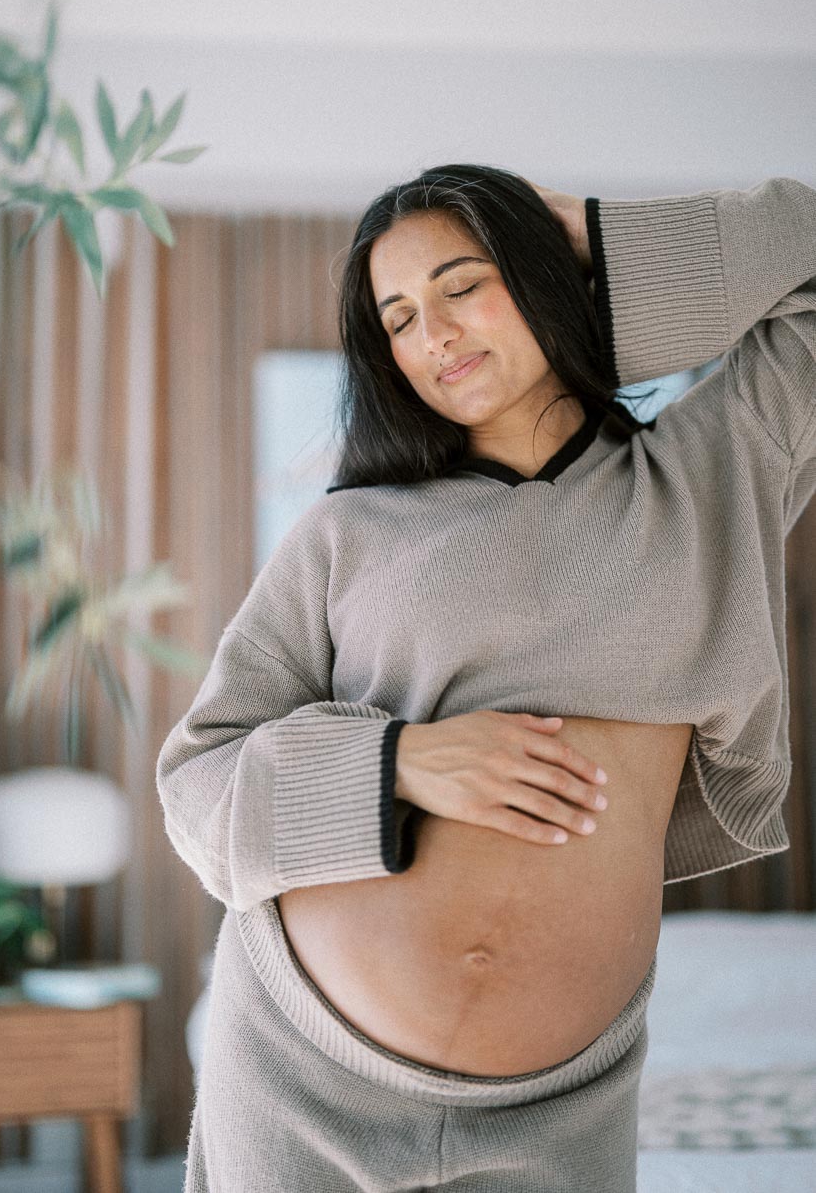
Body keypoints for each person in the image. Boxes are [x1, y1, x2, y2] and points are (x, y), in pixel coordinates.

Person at [156, 165, 816, 1192]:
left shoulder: (709, 476)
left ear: (551, 276)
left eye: (466, 284)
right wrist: (400, 763)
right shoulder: (348, 533)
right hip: (300, 1075)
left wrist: (604, 239)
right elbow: (196, 783)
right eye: (400, 317)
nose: (436, 335)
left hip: (561, 1110)